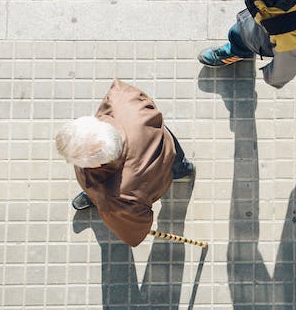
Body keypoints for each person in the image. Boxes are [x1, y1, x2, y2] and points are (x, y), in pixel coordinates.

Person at [54, 79, 195, 247]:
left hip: (150, 182)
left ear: (98, 165)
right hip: (160, 139)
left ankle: (94, 197)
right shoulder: (119, 99)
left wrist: (103, 201)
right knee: (177, 161)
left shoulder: (116, 199)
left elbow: (134, 232)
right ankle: (184, 169)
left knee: (99, 194)